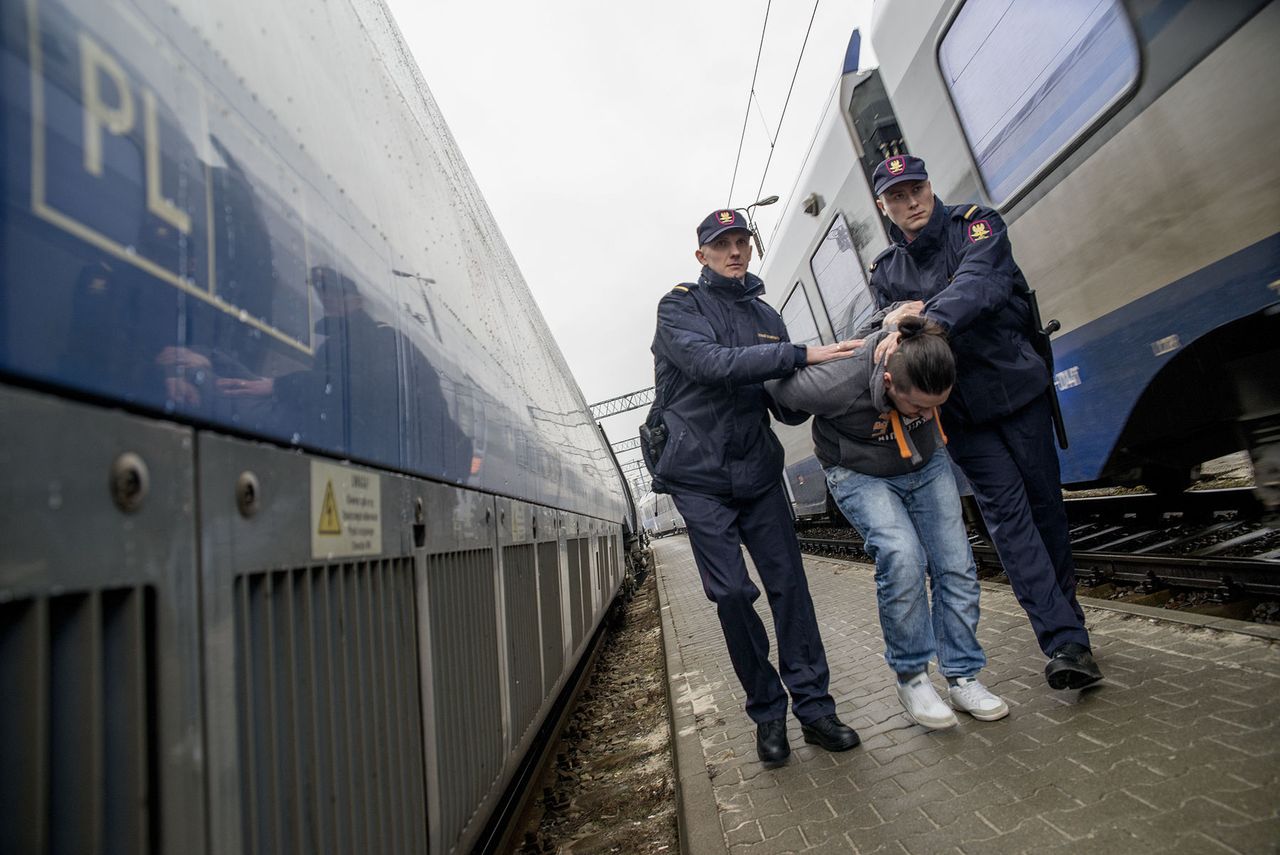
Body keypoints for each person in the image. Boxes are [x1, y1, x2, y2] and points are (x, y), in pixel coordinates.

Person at [862, 154, 1102, 690]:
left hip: (1018, 394)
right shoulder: (886, 273)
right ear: (884, 207)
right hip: (963, 415)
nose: (912, 201)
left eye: (916, 188)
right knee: (1010, 523)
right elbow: (883, 328)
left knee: (1046, 511)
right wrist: (892, 324)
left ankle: (1070, 627)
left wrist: (924, 318)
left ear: (930, 186)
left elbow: (980, 284)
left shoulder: (977, 224)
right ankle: (1064, 642)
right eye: (897, 196)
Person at [643, 209, 861, 764]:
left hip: (758, 473)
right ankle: (767, 711)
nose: (735, 251)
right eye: (722, 244)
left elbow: (780, 405)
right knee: (734, 594)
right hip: (697, 478)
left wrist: (833, 383)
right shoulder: (679, 307)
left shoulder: (767, 315)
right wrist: (800, 354)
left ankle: (815, 710)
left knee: (791, 588)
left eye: (742, 241)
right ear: (702, 256)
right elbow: (709, 363)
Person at [768, 316, 1008, 728]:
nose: (927, 412)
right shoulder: (836, 382)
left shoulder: (923, 352)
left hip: (925, 463)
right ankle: (912, 677)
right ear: (890, 381)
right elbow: (776, 383)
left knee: (956, 563)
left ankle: (963, 675)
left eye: (937, 405)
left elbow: (911, 308)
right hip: (857, 471)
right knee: (902, 555)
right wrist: (800, 355)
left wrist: (896, 317)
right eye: (917, 405)